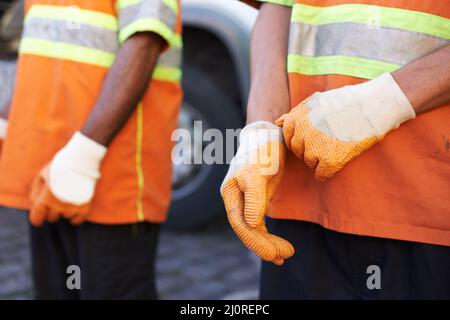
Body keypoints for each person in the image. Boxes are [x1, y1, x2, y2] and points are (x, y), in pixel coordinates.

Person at [222, 0, 450, 299]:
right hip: (300, 203)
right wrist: (261, 132)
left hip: (426, 209)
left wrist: (376, 105)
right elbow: (275, 7)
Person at [0, 0, 182, 299]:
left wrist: (83, 156)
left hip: (113, 178)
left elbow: (145, 42)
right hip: (47, 179)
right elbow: (42, 51)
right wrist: (7, 124)